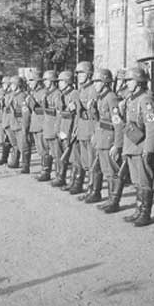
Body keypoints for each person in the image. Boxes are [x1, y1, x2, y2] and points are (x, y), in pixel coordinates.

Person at [121, 67, 154, 226]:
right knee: (137, 181)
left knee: (144, 182)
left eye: (130, 80)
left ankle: (145, 213)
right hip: (132, 146)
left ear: (138, 82)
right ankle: (138, 210)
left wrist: (149, 149)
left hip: (142, 147)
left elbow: (153, 126)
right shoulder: (132, 99)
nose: (127, 83)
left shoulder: (145, 100)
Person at [89, 69, 124, 207]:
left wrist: (117, 144)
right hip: (101, 138)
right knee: (100, 168)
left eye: (97, 81)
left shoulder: (111, 97)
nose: (95, 84)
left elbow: (118, 123)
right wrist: (91, 109)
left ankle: (113, 201)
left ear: (105, 82)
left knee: (111, 172)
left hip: (109, 140)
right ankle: (106, 198)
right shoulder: (100, 97)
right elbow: (98, 120)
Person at [71, 61, 98, 197]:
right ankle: (88, 188)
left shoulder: (92, 89)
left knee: (92, 163)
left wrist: (94, 132)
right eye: (78, 73)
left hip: (90, 129)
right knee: (85, 162)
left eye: (82, 73)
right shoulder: (80, 89)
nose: (79, 75)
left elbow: (94, 115)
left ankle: (93, 190)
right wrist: (76, 127)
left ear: (89, 74)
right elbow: (78, 112)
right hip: (82, 128)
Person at [54, 70, 79, 188]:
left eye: (62, 81)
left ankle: (73, 181)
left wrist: (72, 132)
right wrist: (58, 129)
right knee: (61, 154)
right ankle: (61, 176)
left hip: (70, 128)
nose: (59, 83)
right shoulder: (61, 94)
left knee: (73, 157)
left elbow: (75, 114)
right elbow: (59, 112)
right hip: (63, 127)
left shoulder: (74, 93)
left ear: (68, 82)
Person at [37, 70, 62, 182]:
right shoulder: (47, 93)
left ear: (52, 80)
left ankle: (59, 176)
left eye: (46, 80)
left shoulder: (57, 94)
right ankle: (46, 172)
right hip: (46, 126)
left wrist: (57, 129)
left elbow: (58, 112)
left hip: (53, 127)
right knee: (45, 151)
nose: (45, 82)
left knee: (57, 153)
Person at [27, 70, 47, 175]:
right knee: (40, 149)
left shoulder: (43, 92)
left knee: (44, 149)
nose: (29, 83)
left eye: (31, 80)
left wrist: (33, 104)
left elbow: (44, 111)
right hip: (35, 124)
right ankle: (43, 169)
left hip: (41, 125)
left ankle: (45, 171)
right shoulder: (34, 92)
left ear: (37, 81)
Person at [7, 76, 27, 169]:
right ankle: (15, 161)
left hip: (19, 124)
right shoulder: (13, 95)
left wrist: (24, 125)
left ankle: (25, 165)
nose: (11, 86)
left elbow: (24, 112)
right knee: (14, 144)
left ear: (17, 85)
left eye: (12, 84)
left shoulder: (22, 96)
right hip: (13, 123)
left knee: (22, 145)